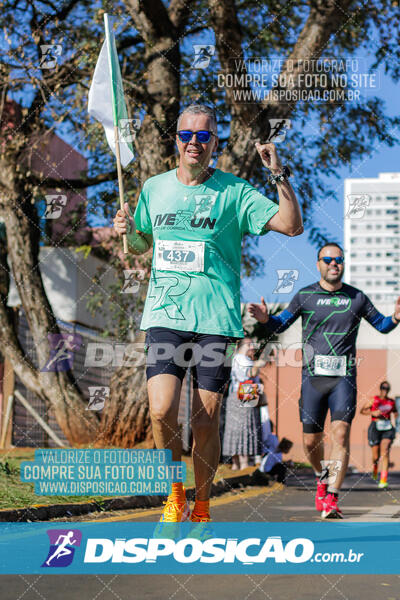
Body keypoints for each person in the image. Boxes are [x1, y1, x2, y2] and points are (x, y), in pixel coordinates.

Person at [113, 103, 303, 524]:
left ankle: (202, 505)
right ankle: (174, 493)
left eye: (204, 136)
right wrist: (128, 231)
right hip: (165, 315)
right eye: (187, 135)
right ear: (175, 140)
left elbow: (292, 225)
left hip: (214, 321)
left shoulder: (234, 192)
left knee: (205, 419)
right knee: (161, 410)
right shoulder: (154, 187)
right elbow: (143, 245)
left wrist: (277, 172)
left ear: (215, 142)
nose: (194, 142)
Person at [249, 242, 400, 518]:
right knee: (310, 442)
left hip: (344, 378)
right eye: (328, 259)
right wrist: (265, 319)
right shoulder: (306, 295)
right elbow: (281, 322)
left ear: (343, 264)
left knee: (340, 435)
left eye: (338, 260)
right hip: (312, 379)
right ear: (318, 263)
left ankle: (331, 496)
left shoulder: (357, 298)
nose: (334, 264)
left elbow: (381, 324)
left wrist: (396, 318)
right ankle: (322, 476)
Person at [222, 338, 263, 470]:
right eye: (251, 345)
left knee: (238, 428)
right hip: (244, 392)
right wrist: (260, 363)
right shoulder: (242, 359)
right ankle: (243, 464)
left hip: (244, 392)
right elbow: (249, 374)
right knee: (244, 428)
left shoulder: (238, 359)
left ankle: (237, 464)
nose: (253, 348)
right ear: (245, 346)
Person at [360, 381, 398, 488]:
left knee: (385, 450)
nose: (385, 391)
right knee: (376, 456)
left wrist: (396, 416)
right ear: (380, 389)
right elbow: (362, 411)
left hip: (387, 428)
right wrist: (372, 413)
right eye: (383, 388)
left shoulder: (391, 402)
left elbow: (395, 411)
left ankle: (383, 480)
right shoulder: (374, 399)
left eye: (387, 389)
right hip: (375, 427)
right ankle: (375, 468)